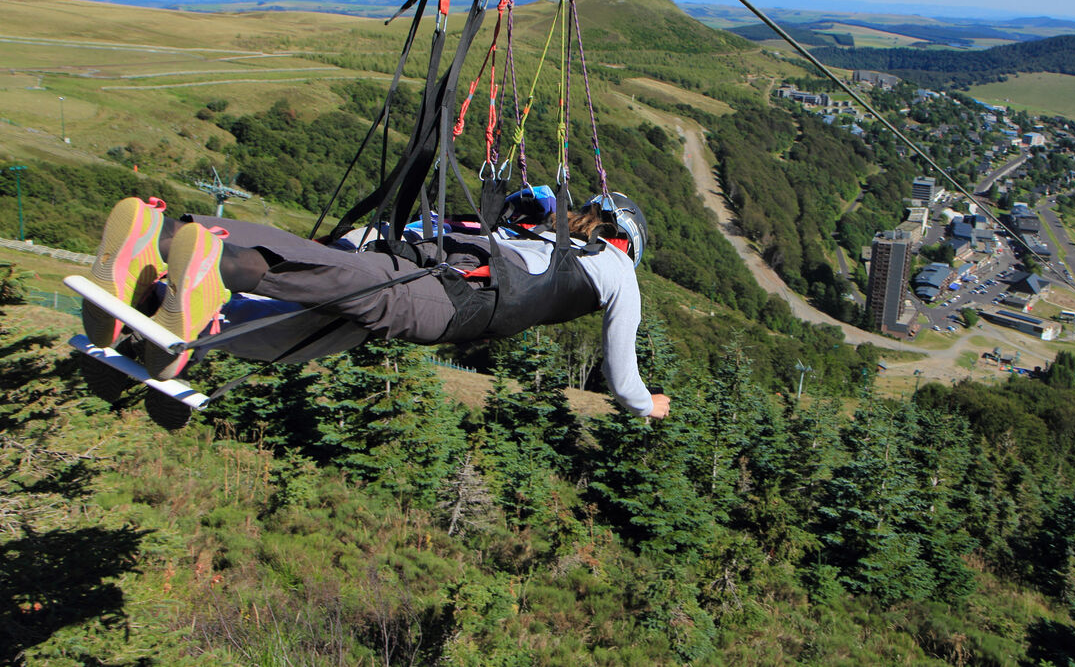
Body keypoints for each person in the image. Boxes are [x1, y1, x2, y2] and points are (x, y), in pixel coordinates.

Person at [81, 193, 671, 419]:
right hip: (449, 298)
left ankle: (164, 294)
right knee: (335, 287)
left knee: (326, 312)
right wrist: (648, 405)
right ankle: (196, 263)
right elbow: (622, 376)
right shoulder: (618, 271)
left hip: (416, 253)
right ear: (630, 243)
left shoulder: (538, 228)